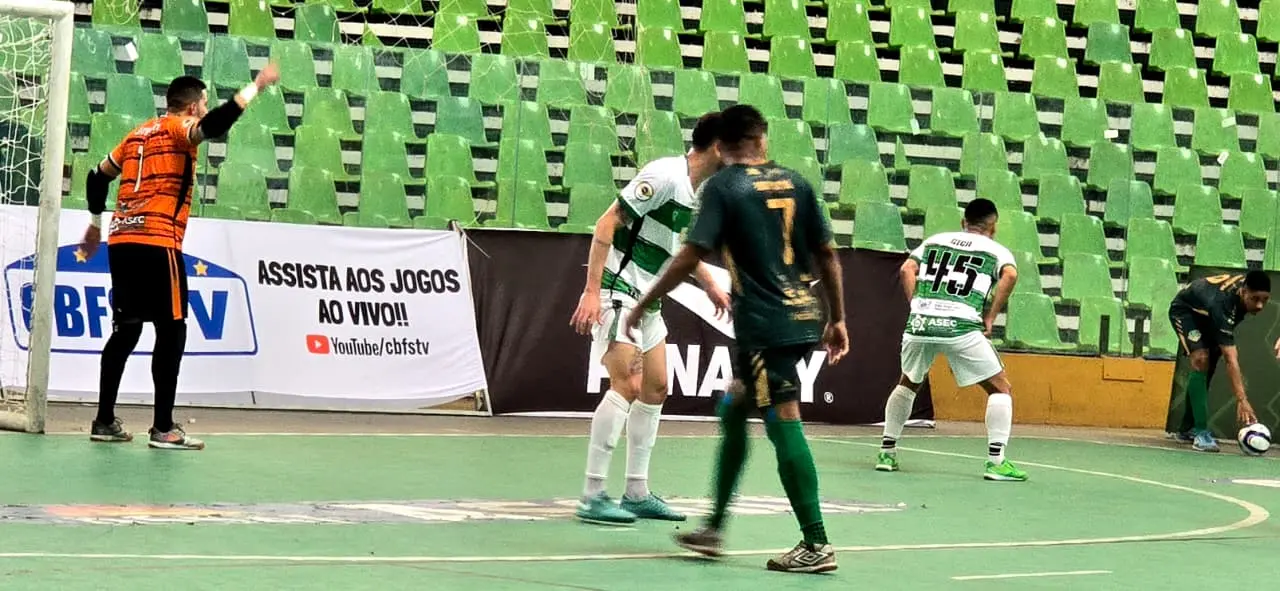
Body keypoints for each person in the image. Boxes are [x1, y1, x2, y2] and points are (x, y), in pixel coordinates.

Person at [625, 104, 849, 574]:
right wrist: (837, 319)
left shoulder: (723, 187)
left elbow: (689, 255)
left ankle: (816, 542)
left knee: (783, 417)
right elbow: (827, 254)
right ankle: (713, 528)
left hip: (766, 325)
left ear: (721, 147)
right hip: (800, 317)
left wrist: (645, 302)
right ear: (762, 139)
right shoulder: (797, 183)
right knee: (734, 407)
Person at [80, 65, 281, 450]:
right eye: (203, 103)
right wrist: (253, 87)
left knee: (126, 331)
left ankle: (104, 421)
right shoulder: (177, 128)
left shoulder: (136, 135)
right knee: (172, 331)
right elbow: (215, 127)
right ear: (190, 107)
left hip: (122, 241)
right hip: (158, 241)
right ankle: (163, 428)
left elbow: (95, 176)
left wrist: (94, 223)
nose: (205, 109)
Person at [568, 112, 731, 525]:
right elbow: (607, 222)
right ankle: (592, 495)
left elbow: (677, 248)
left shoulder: (697, 192)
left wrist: (709, 281)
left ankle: (637, 492)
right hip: (617, 289)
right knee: (629, 384)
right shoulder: (664, 175)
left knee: (656, 388)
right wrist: (591, 291)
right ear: (717, 147)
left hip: (648, 300)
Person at [875, 198, 1026, 482]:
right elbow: (1010, 275)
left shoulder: (936, 240)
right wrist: (991, 315)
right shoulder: (996, 250)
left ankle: (887, 452)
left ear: (963, 222)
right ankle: (996, 461)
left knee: (907, 382)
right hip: (960, 325)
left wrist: (916, 304)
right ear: (992, 227)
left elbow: (907, 269)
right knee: (1000, 388)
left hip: (921, 322)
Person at [1167, 271, 1271, 452]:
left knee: (1210, 364)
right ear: (1243, 291)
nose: (1260, 305)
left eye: (1265, 300)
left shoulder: (1238, 298)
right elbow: (1231, 359)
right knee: (1201, 360)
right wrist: (1242, 400)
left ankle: (1186, 428)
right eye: (1255, 299)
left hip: (1209, 314)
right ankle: (1200, 432)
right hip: (1186, 312)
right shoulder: (1224, 304)